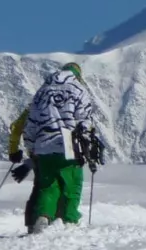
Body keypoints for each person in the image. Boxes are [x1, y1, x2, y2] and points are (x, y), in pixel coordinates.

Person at [22, 63, 102, 233]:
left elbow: (30, 124)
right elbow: (84, 120)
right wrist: (87, 143)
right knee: (72, 184)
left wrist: (31, 148)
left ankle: (42, 219)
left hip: (42, 145)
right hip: (68, 143)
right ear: (77, 75)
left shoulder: (42, 92)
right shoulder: (78, 90)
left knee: (48, 186)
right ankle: (69, 221)